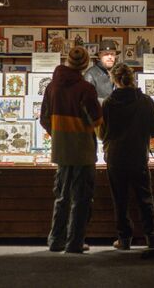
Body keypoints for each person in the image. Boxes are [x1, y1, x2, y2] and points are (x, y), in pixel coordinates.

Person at [40, 46, 103, 253]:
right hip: (83, 150)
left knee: (61, 197)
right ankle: (74, 243)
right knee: (81, 199)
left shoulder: (51, 87)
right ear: (85, 64)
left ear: (67, 61)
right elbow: (96, 119)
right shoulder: (86, 89)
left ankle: (56, 240)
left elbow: (44, 119)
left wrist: (59, 133)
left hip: (61, 150)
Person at [98, 63, 154, 250]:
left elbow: (102, 133)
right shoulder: (146, 101)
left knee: (120, 200)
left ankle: (124, 239)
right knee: (145, 198)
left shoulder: (109, 103)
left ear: (114, 79)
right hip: (138, 156)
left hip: (115, 157)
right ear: (132, 78)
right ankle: (152, 237)